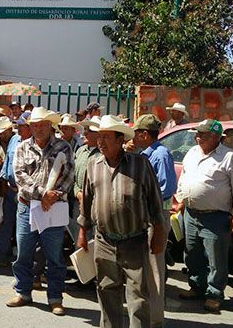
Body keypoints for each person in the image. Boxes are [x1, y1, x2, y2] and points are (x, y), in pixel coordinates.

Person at [78, 114, 165, 328]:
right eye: (99, 137)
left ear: (120, 140)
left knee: (138, 296)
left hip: (134, 241)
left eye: (107, 137)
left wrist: (159, 233)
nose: (101, 142)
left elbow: (155, 201)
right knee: (107, 292)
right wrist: (82, 231)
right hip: (104, 241)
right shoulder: (93, 164)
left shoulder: (140, 164)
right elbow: (87, 201)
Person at [6, 107, 74, 316]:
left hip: (53, 208)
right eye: (34, 125)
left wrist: (53, 195)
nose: (38, 128)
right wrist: (43, 193)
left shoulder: (64, 147)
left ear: (50, 126)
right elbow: (19, 176)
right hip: (27, 207)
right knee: (24, 253)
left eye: (42, 124)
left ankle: (55, 298)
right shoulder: (22, 146)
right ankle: (23, 292)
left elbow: (69, 174)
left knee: (54, 256)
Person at [175, 119, 233, 312]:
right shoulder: (192, 152)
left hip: (216, 217)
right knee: (191, 252)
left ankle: (214, 294)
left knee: (216, 258)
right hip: (190, 213)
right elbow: (185, 177)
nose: (197, 137)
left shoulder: (229, 157)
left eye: (201, 134)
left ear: (215, 137)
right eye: (197, 134)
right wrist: (181, 198)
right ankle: (197, 286)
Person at [132, 114, 177, 326]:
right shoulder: (146, 154)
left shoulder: (160, 155)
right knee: (145, 267)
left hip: (155, 218)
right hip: (145, 217)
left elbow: (166, 189)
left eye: (136, 133)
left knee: (155, 269)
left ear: (143, 134)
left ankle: (156, 319)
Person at [0, 111, 31, 269]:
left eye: (21, 125)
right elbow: (7, 164)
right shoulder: (13, 140)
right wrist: (3, 184)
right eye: (18, 125)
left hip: (25, 193)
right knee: (6, 224)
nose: (18, 128)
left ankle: (22, 262)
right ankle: (1, 256)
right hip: (11, 190)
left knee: (23, 228)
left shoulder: (35, 144)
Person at [68, 116, 100, 244]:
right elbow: (72, 176)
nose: (85, 133)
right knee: (80, 240)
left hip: (97, 204)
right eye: (85, 129)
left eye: (89, 130)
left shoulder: (103, 154)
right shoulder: (81, 151)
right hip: (79, 203)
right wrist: (78, 193)